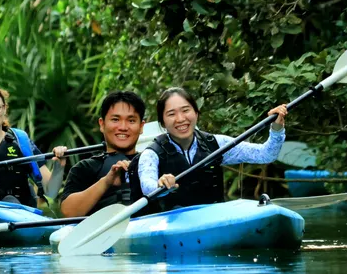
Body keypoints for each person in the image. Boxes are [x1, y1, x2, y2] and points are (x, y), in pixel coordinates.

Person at [129, 87, 287, 212]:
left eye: (186, 110)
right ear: (163, 122)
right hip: (171, 226)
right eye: (171, 114)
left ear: (196, 113)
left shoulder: (216, 144)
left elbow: (266, 154)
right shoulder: (151, 154)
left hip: (213, 218)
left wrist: (277, 127)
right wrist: (161, 185)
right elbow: (147, 188)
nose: (180, 119)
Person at [59, 90, 147, 217]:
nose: (123, 127)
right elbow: (68, 212)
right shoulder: (84, 168)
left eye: (131, 121)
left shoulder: (153, 161)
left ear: (141, 126)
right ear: (102, 124)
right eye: (115, 119)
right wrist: (106, 182)